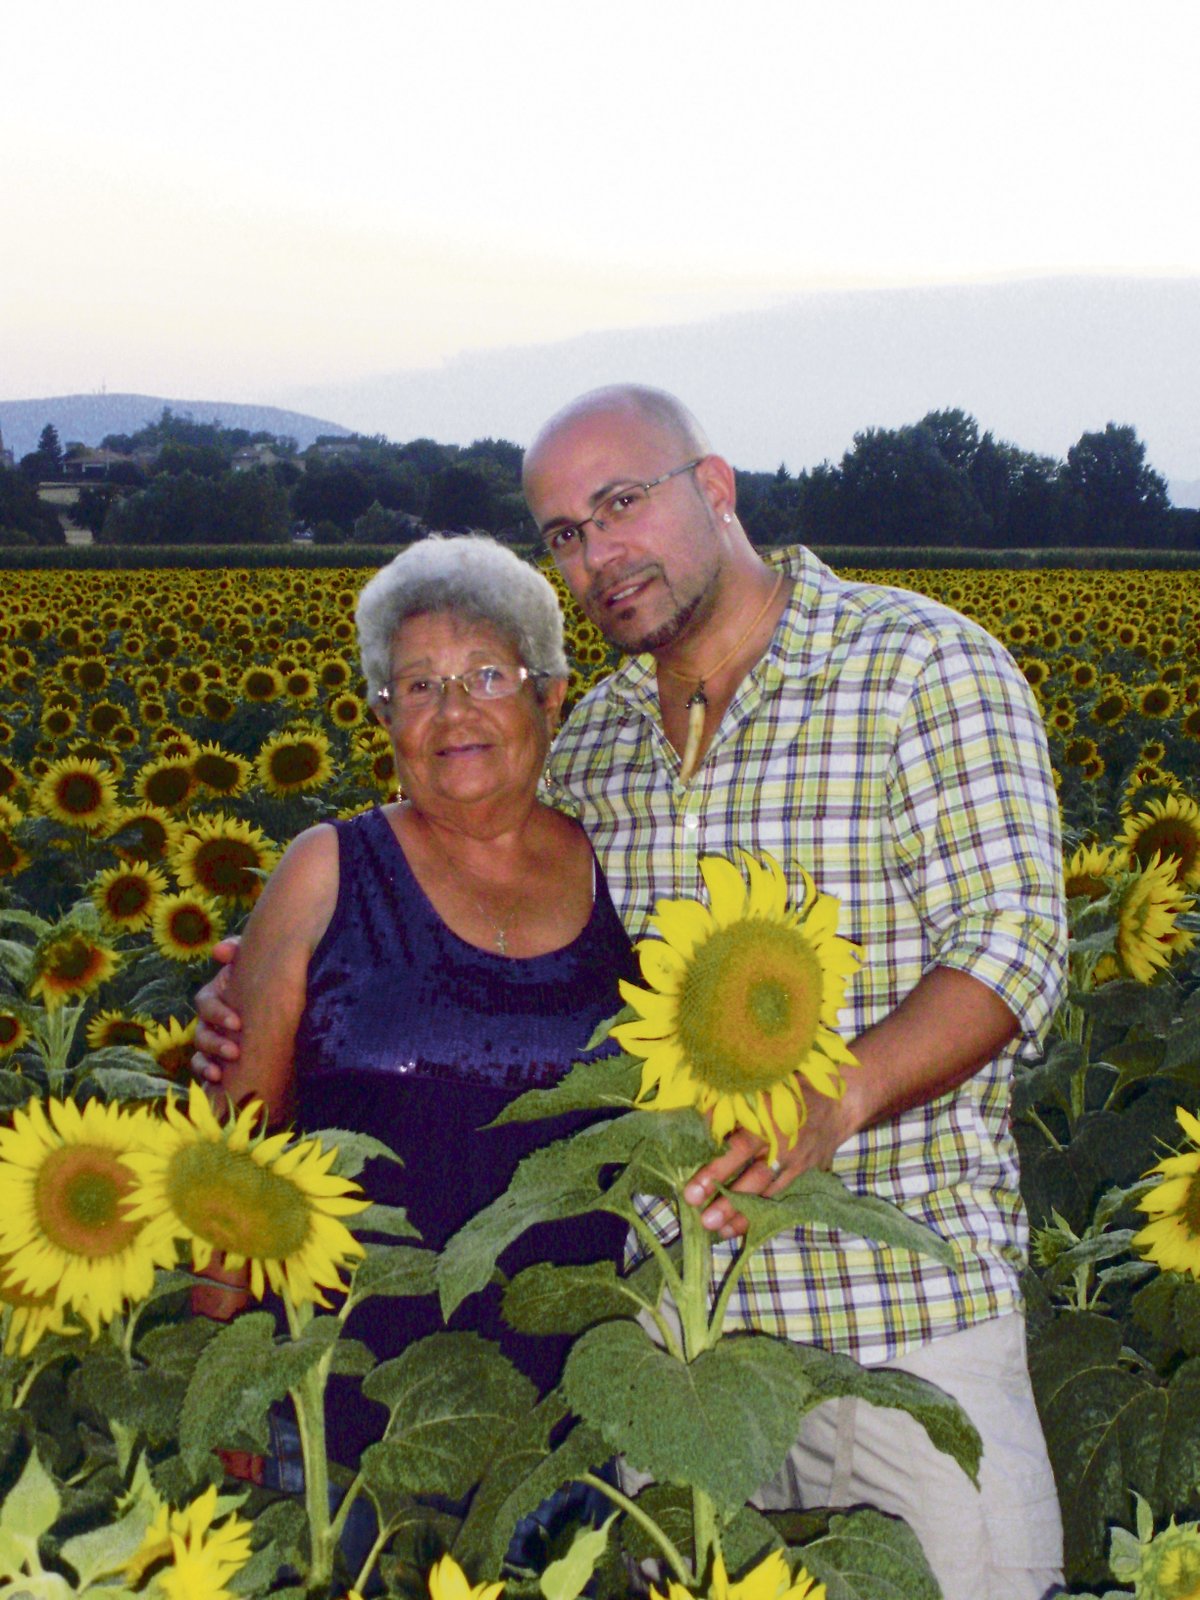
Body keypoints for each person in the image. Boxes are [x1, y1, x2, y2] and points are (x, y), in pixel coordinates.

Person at [199, 387, 1067, 1600]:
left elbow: (1017, 942)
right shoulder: (594, 744)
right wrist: (262, 994)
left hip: (896, 1323)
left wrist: (840, 1093)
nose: (597, 551)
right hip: (657, 1349)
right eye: (562, 532)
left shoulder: (918, 666)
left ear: (714, 487)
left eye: (620, 503)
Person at [195, 532, 635, 1465]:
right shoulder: (327, 870)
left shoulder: (619, 870)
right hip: (352, 1411)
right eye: (418, 687)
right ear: (385, 716)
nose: (452, 712)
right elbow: (232, 1164)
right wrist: (219, 1378)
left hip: (576, 1428)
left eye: (486, 675)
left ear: (549, 694)